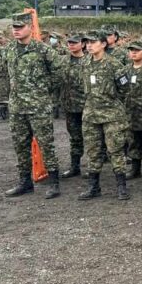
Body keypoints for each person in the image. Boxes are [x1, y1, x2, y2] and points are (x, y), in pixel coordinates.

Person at [3, 13, 64, 198]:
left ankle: (54, 182)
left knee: (46, 144)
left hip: (38, 105)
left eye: (20, 27)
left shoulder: (42, 49)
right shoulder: (10, 49)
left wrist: (44, 89)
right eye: (14, 27)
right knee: (20, 145)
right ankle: (25, 182)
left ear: (30, 27)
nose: (16, 30)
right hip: (17, 106)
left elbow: (59, 72)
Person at [78, 31, 132, 200]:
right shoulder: (85, 63)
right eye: (87, 43)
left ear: (103, 44)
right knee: (93, 151)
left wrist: (111, 101)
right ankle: (94, 187)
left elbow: (124, 88)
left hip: (111, 115)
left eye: (93, 42)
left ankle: (121, 187)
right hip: (91, 114)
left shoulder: (114, 64)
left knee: (115, 150)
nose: (89, 45)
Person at [59, 33, 87, 178]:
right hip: (70, 106)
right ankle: (74, 166)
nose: (71, 45)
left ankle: (94, 167)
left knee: (92, 138)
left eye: (75, 42)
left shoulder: (89, 61)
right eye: (69, 42)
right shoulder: (63, 61)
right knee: (75, 137)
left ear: (83, 44)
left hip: (87, 106)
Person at [124, 40, 142, 178]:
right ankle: (135, 169)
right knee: (133, 142)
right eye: (131, 50)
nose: (133, 52)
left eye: (137, 50)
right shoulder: (125, 70)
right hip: (131, 114)